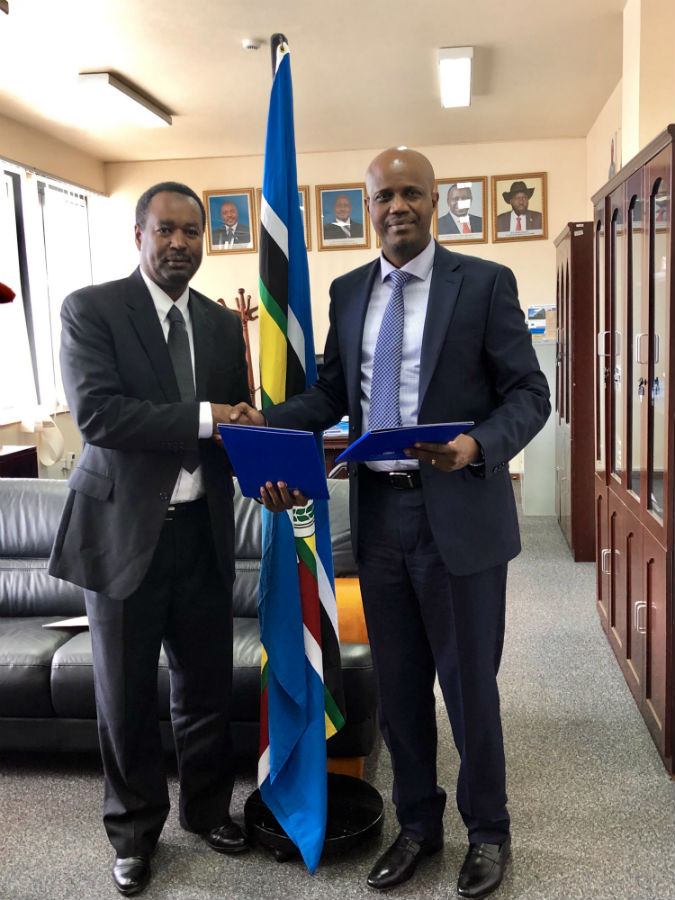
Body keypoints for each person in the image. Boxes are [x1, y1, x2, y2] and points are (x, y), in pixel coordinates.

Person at [230, 148, 550, 900]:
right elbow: (329, 396)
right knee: (401, 687)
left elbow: (529, 394)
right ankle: (416, 827)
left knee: (470, 688)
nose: (396, 206)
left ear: (434, 201)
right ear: (366, 206)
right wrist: (268, 422)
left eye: (411, 193)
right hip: (378, 518)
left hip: (460, 515)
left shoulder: (484, 284)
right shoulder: (348, 292)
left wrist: (478, 445)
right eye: (383, 196)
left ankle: (487, 832)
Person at [48, 182, 252, 896]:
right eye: (165, 230)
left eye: (192, 232)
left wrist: (269, 454)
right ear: (139, 234)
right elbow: (101, 415)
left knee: (204, 688)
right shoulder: (92, 309)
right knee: (126, 697)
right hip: (121, 537)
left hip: (201, 534)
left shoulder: (225, 327)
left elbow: (236, 428)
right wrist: (208, 417)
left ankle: (207, 812)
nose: (179, 244)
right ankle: (134, 835)